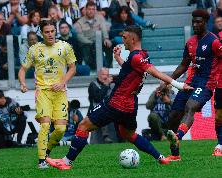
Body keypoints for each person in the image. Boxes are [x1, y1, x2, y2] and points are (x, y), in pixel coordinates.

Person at [46, 25, 193, 170]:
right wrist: (117, 58)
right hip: (130, 105)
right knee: (128, 134)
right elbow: (132, 71)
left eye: (124, 37)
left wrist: (178, 85)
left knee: (83, 126)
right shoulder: (142, 55)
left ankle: (66, 162)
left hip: (117, 102)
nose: (122, 40)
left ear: (133, 38)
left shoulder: (136, 57)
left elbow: (155, 72)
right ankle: (161, 158)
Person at [18, 19, 76, 168]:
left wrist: (63, 82)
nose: (50, 34)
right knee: (45, 125)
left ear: (55, 31)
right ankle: (41, 160)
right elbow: (23, 70)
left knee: (60, 129)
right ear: (41, 33)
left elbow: (72, 68)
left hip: (60, 92)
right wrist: (23, 84)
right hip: (43, 91)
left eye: (52, 31)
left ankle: (47, 150)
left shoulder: (65, 47)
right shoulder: (35, 49)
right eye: (46, 32)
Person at [165, 10, 222, 161]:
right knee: (173, 116)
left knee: (190, 106)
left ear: (205, 22)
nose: (195, 25)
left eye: (199, 22)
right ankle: (175, 155)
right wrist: (168, 80)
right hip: (190, 82)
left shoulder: (214, 41)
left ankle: (178, 136)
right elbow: (184, 65)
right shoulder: (190, 42)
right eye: (194, 22)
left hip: (206, 83)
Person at [89, 68, 118, 144]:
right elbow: (98, 98)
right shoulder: (93, 85)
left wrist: (115, 78)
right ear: (99, 75)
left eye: (107, 75)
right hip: (95, 111)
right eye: (103, 75)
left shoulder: (111, 84)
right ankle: (105, 137)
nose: (105, 77)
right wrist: (105, 85)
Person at [211, 16, 222, 156]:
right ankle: (219, 143)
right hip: (220, 84)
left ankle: (220, 145)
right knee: (219, 116)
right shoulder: (217, 38)